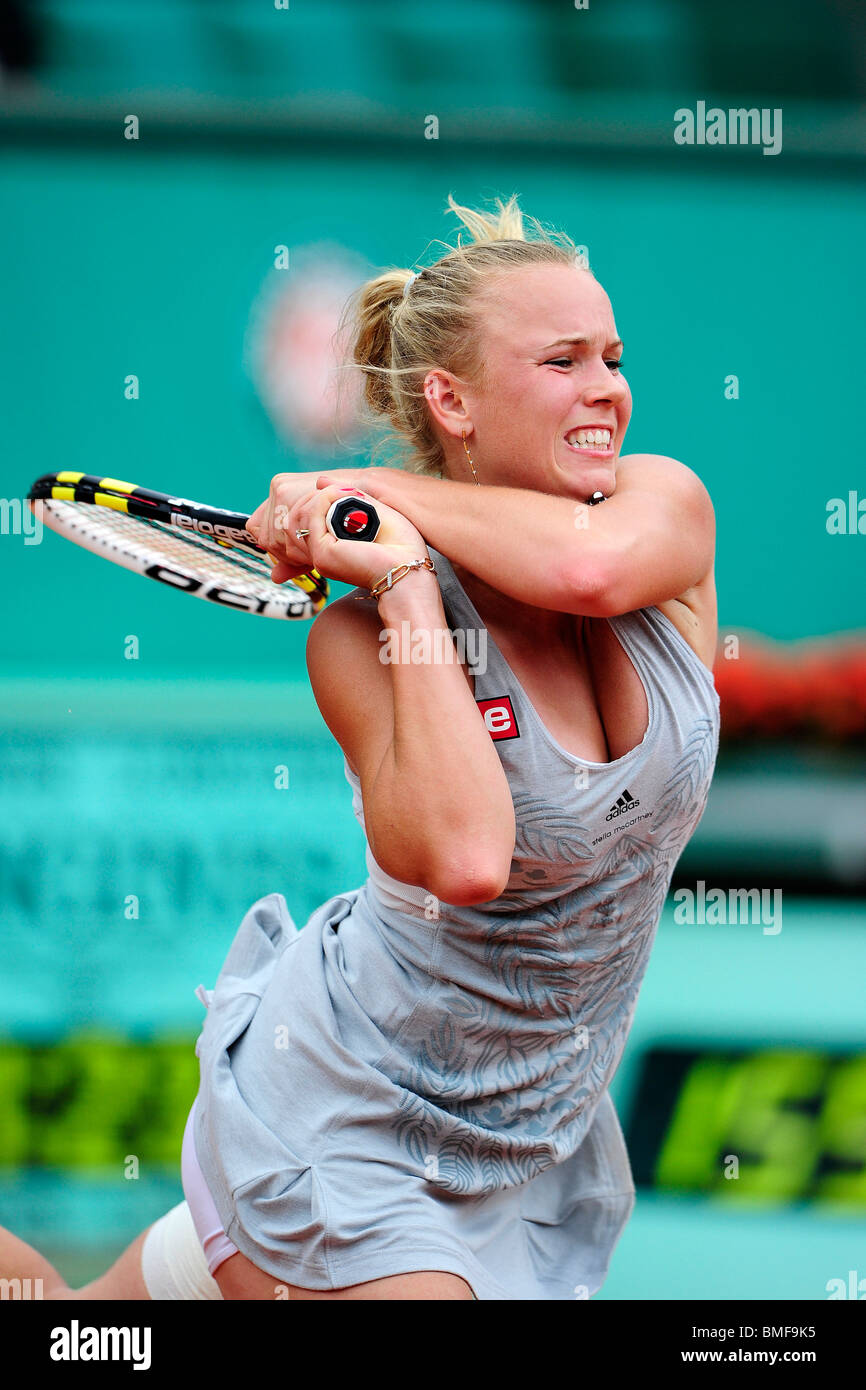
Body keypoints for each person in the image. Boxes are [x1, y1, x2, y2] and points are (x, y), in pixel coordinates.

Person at [0, 194, 719, 1301]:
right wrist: (397, 584)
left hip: (530, 1148)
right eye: (563, 360)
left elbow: (583, 572)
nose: (606, 390)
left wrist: (361, 494)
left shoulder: (660, 512)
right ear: (451, 398)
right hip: (349, 1113)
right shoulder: (356, 638)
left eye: (611, 358)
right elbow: (468, 857)